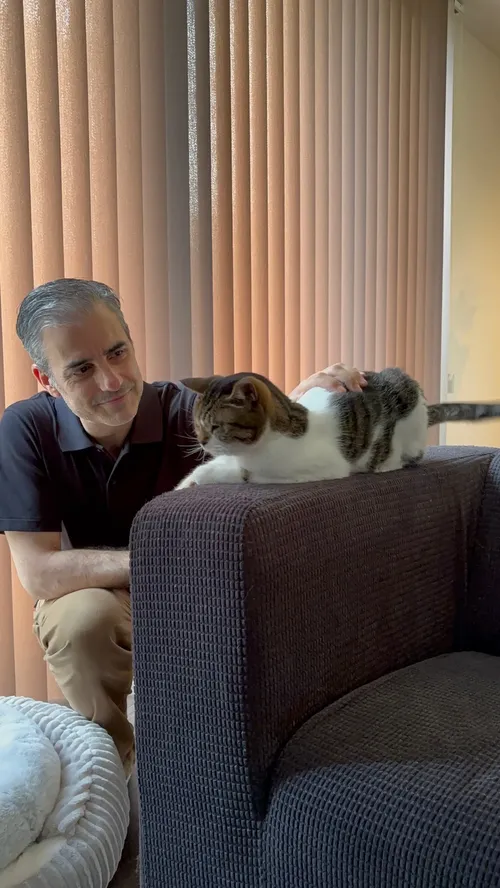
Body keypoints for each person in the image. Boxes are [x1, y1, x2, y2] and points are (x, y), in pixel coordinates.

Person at [0, 278, 367, 775]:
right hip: (101, 596)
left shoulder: (185, 411)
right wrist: (159, 557)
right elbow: (40, 573)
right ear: (45, 380)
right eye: (82, 369)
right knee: (83, 620)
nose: (111, 381)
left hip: (195, 587)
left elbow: (264, 429)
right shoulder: (24, 428)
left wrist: (301, 396)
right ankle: (116, 769)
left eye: (117, 352)